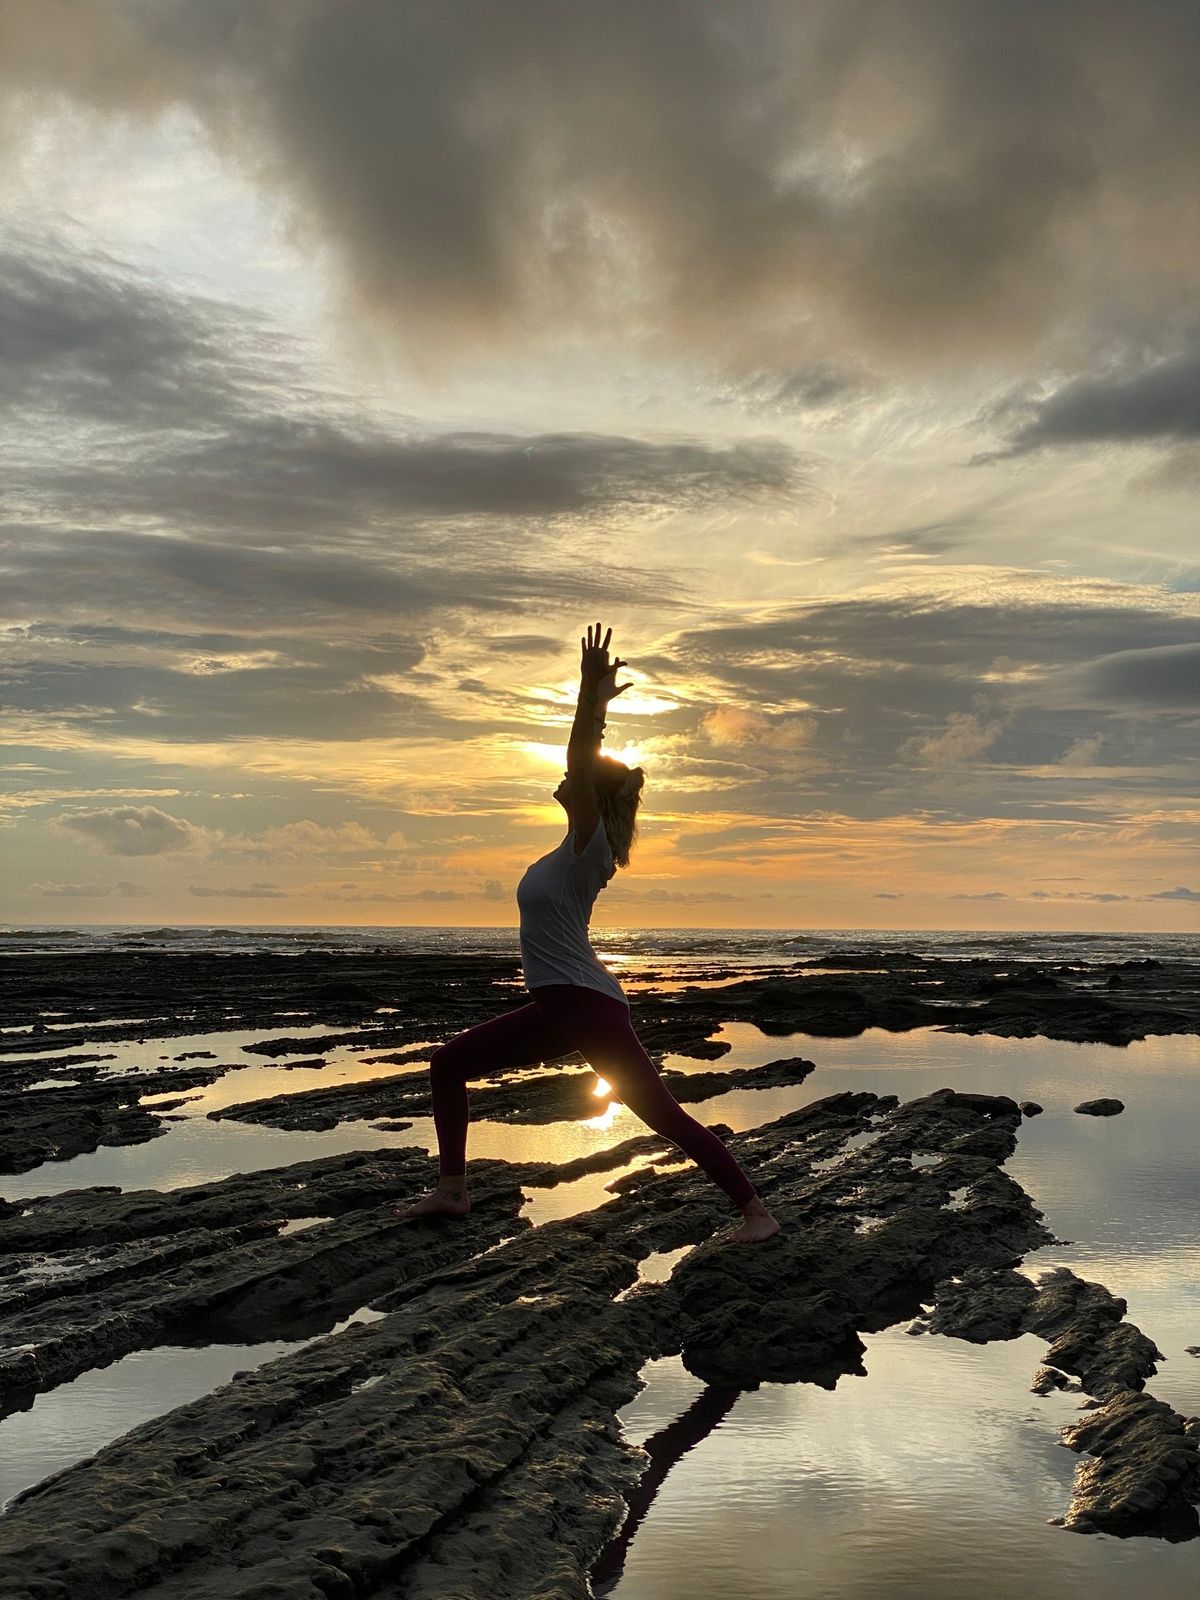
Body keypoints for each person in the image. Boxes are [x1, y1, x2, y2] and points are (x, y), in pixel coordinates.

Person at [397, 622, 780, 1245]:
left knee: (661, 1116)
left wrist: (589, 699)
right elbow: (580, 770)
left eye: (580, 781)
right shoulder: (568, 851)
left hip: (584, 1002)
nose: (567, 782)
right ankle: (452, 1190)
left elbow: (577, 758)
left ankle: (756, 1214)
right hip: (557, 1005)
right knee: (448, 1066)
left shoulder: (588, 843)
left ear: (589, 796)